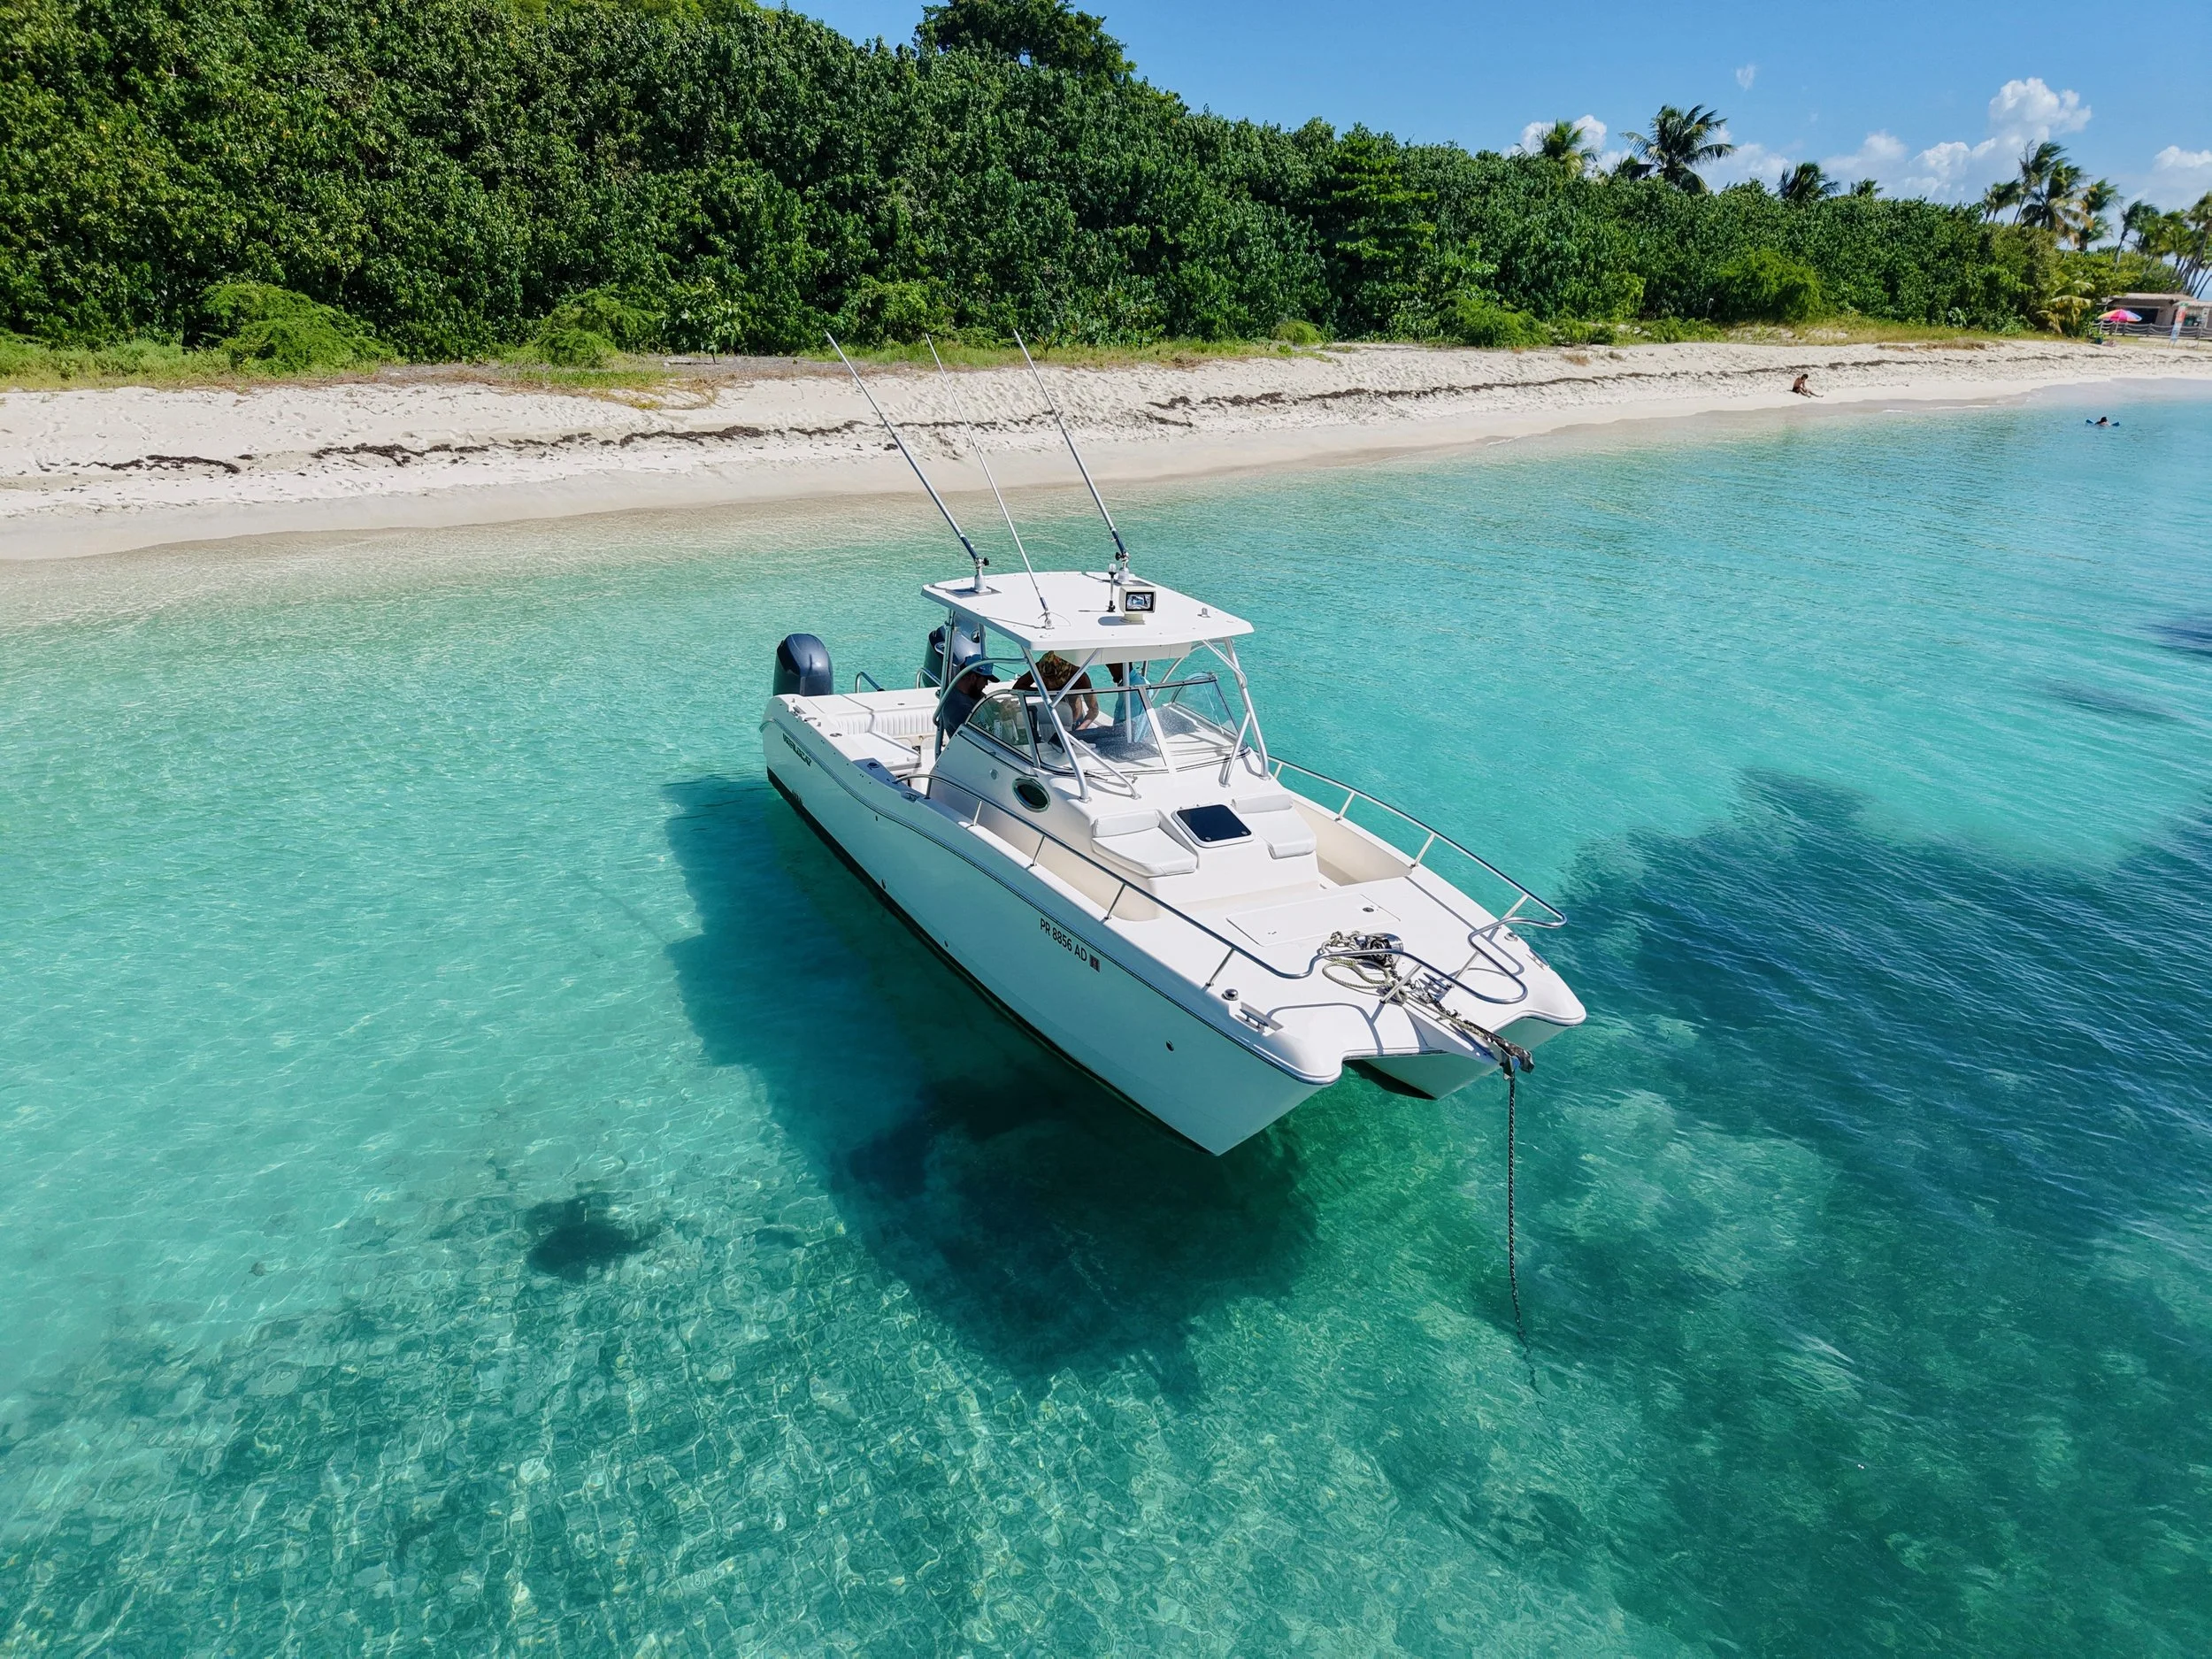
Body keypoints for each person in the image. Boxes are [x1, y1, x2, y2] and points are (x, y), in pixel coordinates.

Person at [1014, 652, 1098, 729]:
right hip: (1050, 715)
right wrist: (1043, 692)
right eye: (1046, 680)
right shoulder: (1040, 668)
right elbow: (1017, 687)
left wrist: (1080, 729)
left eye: (1054, 679)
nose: (1050, 684)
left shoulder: (1079, 676)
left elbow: (1094, 709)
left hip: (1074, 718)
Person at [936, 661, 992, 736]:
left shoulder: (974, 693)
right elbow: (978, 738)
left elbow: (996, 706)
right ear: (973, 678)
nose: (987, 684)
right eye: (985, 679)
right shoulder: (958, 707)